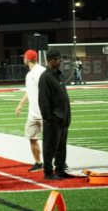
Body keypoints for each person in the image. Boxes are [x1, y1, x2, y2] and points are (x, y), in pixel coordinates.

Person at [38, 50, 74, 180]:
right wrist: (48, 117)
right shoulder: (46, 77)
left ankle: (59, 169)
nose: (60, 61)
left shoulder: (58, 75)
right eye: (58, 59)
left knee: (61, 146)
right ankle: (48, 172)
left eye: (61, 59)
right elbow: (43, 99)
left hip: (63, 117)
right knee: (50, 146)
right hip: (54, 118)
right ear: (50, 60)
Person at [15, 50, 45, 172]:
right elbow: (29, 91)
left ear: (26, 59)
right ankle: (38, 163)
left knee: (51, 140)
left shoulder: (42, 72)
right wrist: (20, 104)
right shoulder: (30, 74)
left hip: (44, 113)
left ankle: (59, 163)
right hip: (33, 113)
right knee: (32, 138)